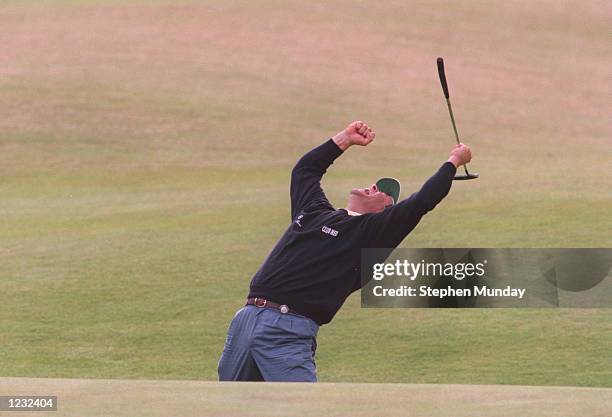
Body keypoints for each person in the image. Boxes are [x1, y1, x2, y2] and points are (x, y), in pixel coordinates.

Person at [218, 121, 473, 382]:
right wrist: (344, 140)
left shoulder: (371, 234)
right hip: (245, 321)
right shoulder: (314, 210)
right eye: (378, 184)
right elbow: (305, 170)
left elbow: (421, 202)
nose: (376, 187)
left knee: (297, 406)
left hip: (287, 328)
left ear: (387, 212)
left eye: (386, 194)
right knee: (230, 405)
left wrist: (453, 161)